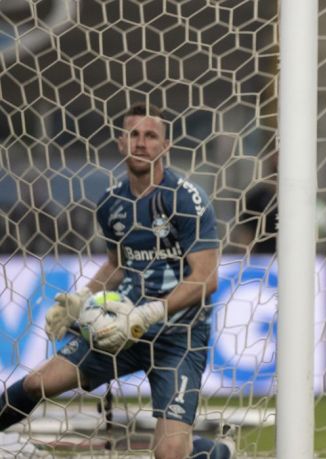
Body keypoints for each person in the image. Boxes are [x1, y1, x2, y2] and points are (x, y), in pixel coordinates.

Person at [0, 103, 234, 459]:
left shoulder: (187, 199)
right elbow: (117, 264)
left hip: (178, 338)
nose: (141, 143)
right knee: (37, 382)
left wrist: (148, 314)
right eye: (133, 134)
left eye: (151, 135)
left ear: (165, 146)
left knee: (169, 453)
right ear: (121, 143)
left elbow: (206, 278)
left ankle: (216, 452)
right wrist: (78, 300)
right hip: (118, 332)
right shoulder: (111, 203)